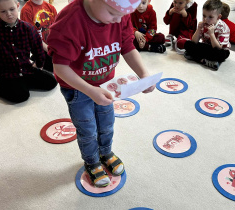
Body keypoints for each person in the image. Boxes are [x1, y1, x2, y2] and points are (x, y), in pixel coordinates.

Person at [47, 0, 155, 187]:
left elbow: (127, 46)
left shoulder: (120, 15)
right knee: (88, 130)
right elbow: (60, 67)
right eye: (113, 14)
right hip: (78, 89)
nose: (119, 20)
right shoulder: (71, 21)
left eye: (123, 15)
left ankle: (106, 153)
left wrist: (144, 74)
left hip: (106, 85)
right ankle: (92, 162)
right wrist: (89, 90)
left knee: (106, 124)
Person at [0, 0, 57, 103]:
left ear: (18, 6)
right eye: (3, 11)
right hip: (6, 73)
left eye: (12, 9)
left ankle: (21, 84)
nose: (9, 14)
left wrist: (39, 63)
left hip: (26, 69)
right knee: (21, 96)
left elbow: (37, 48)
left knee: (51, 82)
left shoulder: (28, 28)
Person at [184, 0, 230, 70]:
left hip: (219, 49)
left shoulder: (223, 28)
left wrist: (211, 34)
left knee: (220, 54)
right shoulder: (203, 24)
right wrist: (198, 29)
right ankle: (206, 61)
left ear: (218, 17)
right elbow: (194, 41)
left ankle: (197, 58)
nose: (206, 19)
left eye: (210, 17)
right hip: (207, 47)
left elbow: (218, 48)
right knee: (188, 44)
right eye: (204, 16)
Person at [20, 0, 57, 72]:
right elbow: (32, 37)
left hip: (51, 46)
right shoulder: (26, 10)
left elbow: (57, 29)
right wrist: (49, 49)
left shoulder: (50, 7)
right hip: (39, 49)